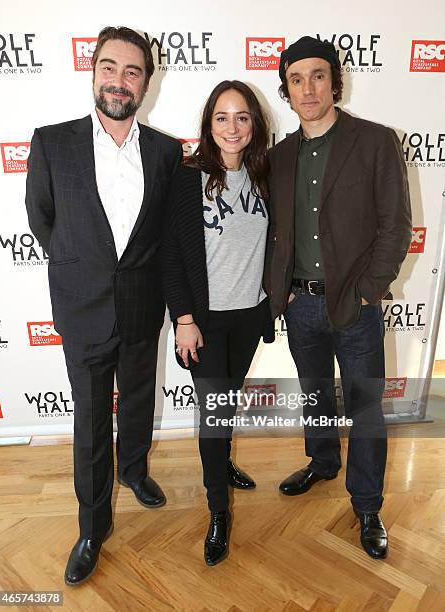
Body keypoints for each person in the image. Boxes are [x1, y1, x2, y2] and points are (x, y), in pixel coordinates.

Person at [25, 26, 182, 585]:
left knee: (139, 399)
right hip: (84, 307)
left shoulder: (166, 152)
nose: (120, 80)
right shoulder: (52, 141)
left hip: (143, 306)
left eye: (133, 71)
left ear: (146, 82)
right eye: (110, 68)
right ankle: (93, 526)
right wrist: (86, 267)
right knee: (91, 423)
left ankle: (135, 471)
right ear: (93, 72)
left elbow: (166, 234)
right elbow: (42, 220)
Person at [264, 36, 411, 559]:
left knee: (367, 408)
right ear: (286, 88)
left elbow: (396, 225)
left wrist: (370, 290)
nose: (308, 88)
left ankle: (368, 505)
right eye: (296, 79)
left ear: (334, 81)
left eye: (318, 75)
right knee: (315, 394)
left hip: (355, 304)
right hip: (300, 304)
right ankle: (323, 462)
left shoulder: (374, 141)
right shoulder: (278, 156)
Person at [164, 80, 273, 566]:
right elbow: (169, 255)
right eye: (222, 118)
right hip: (203, 322)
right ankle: (218, 512)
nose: (233, 127)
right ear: (209, 125)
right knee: (213, 413)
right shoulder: (188, 177)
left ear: (254, 125)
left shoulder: (265, 173)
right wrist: (183, 318)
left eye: (242, 117)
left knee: (225, 401)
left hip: (249, 316)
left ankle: (223, 462)